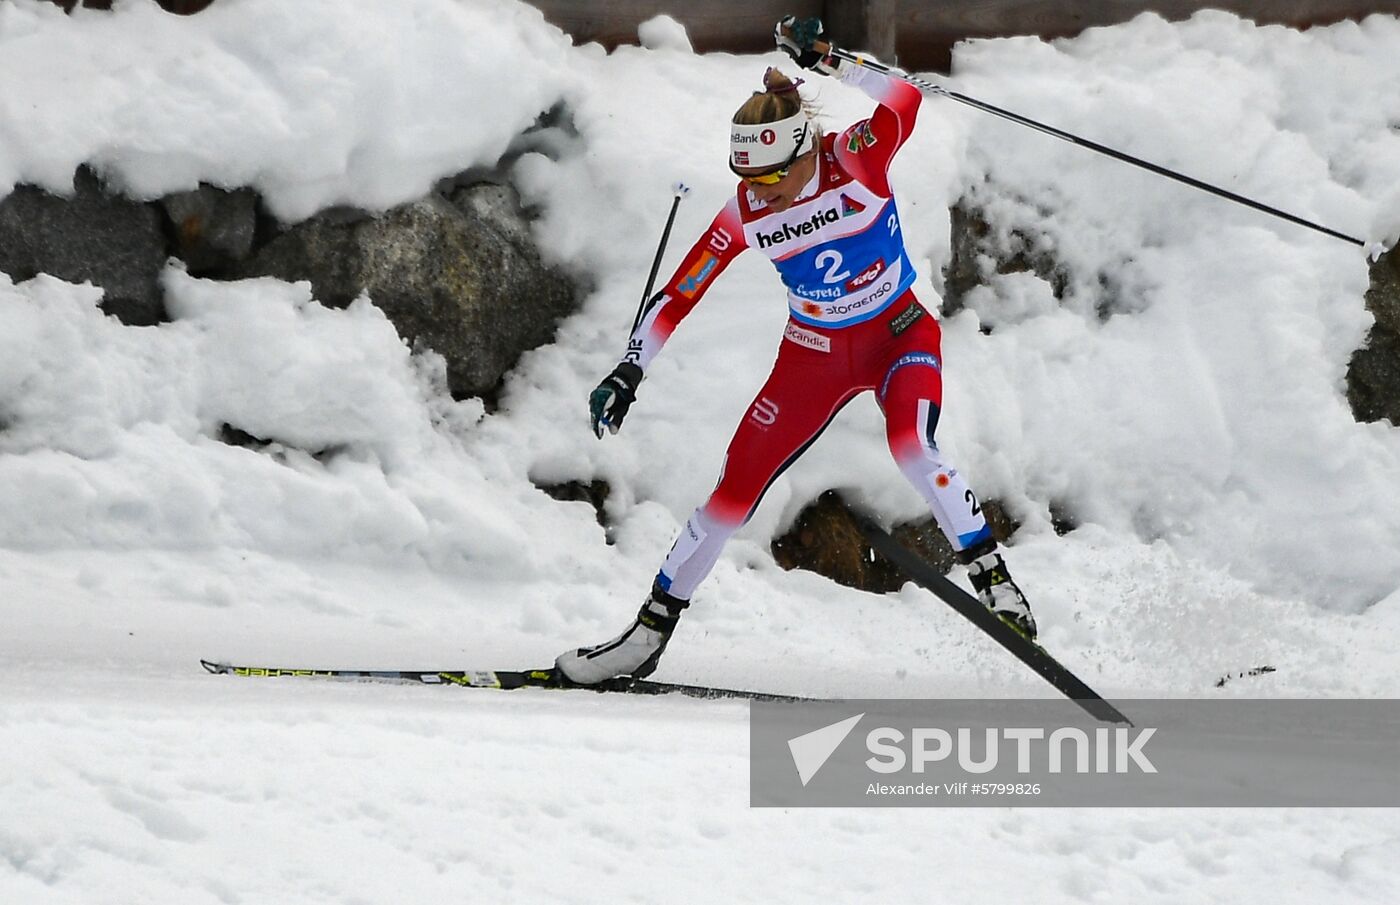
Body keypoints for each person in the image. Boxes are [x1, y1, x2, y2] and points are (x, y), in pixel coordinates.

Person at [555, 17, 1035, 685]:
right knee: (732, 491)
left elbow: (905, 100)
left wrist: (832, 61)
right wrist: (630, 367)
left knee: (911, 446)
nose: (760, 191)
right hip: (814, 353)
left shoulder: (855, 157)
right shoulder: (749, 208)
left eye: (772, 176)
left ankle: (994, 578)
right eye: (747, 176)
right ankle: (646, 633)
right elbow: (684, 287)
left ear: (804, 151)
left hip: (897, 334)